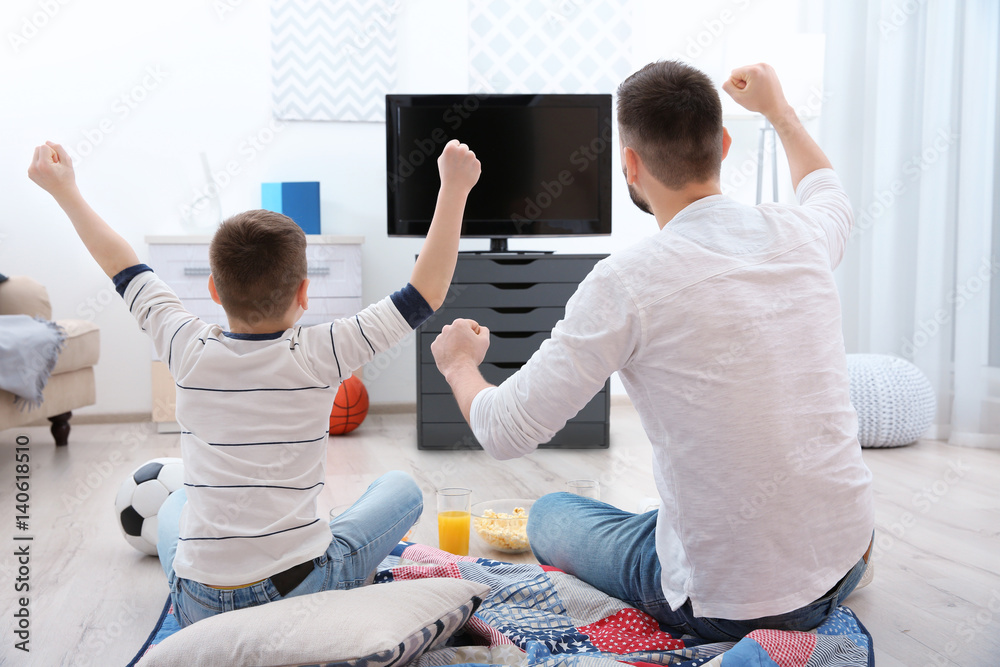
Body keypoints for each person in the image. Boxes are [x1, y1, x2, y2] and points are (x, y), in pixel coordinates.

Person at [430, 61, 874, 642]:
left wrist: (458, 364)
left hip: (732, 605)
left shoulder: (627, 281)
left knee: (551, 515)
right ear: (723, 144)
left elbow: (506, 429)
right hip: (848, 557)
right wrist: (778, 109)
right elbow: (827, 190)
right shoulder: (802, 233)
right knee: (660, 512)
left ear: (630, 164)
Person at [28, 138, 481, 627]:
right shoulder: (323, 351)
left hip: (196, 604)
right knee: (402, 488)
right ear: (304, 293)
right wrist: (453, 188)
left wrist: (64, 188)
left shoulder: (183, 343)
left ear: (213, 289)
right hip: (302, 591)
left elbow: (121, 264)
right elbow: (424, 292)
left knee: (176, 501)